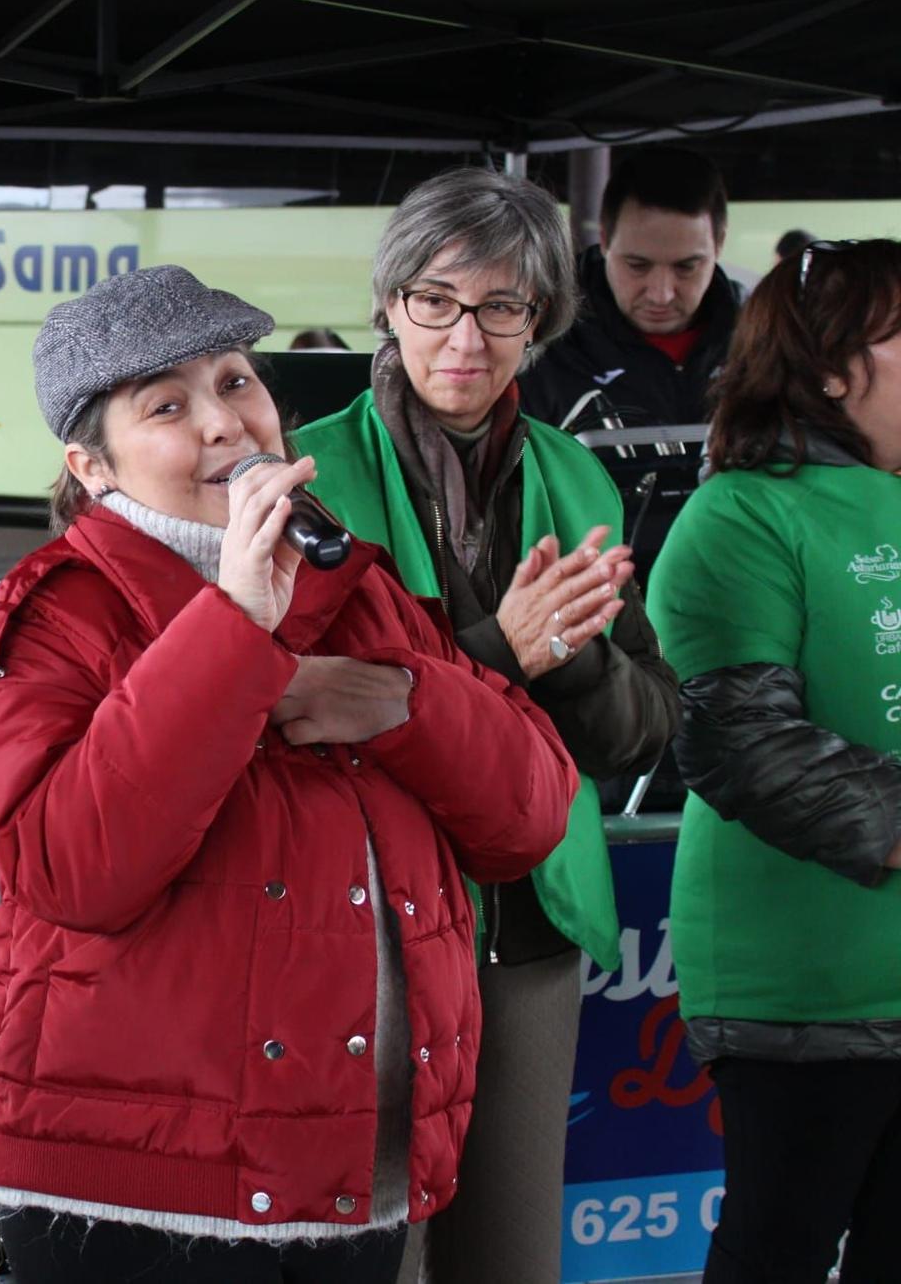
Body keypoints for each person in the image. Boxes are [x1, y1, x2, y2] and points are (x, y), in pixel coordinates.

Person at [0, 264, 580, 1284]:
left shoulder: (359, 586)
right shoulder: (52, 614)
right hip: (135, 1192)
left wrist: (404, 706)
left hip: (344, 1172)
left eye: (236, 381)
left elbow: (528, 818)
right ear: (90, 464)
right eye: (166, 405)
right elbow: (72, 867)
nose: (224, 423)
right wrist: (233, 623)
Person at [295, 165, 680, 1284]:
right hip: (364, 933)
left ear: (537, 321)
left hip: (529, 931)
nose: (464, 336)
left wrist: (567, 662)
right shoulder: (307, 479)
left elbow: (640, 729)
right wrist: (504, 651)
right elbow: (314, 719)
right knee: (379, 1254)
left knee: (510, 1258)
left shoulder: (575, 479)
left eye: (500, 307)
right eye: (435, 300)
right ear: (389, 302)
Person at [647, 239, 901, 1284]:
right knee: (777, 1250)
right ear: (833, 366)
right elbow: (740, 739)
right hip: (800, 986)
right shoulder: (741, 511)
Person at [523, 148, 743, 431]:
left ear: (720, 243)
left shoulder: (763, 339)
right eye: (637, 266)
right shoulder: (542, 340)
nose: (661, 294)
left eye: (686, 267)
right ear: (604, 240)